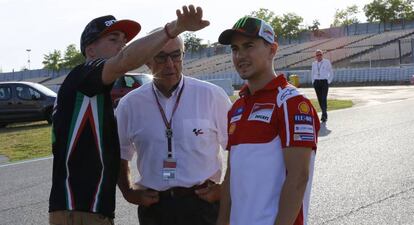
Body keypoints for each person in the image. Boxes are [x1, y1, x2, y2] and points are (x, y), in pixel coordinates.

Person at [48, 5, 210, 225]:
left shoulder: (91, 89)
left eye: (123, 41)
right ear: (90, 51)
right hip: (79, 210)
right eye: (113, 39)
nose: (122, 46)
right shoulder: (84, 75)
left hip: (86, 210)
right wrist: (175, 28)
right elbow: (125, 59)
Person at [115, 27, 231, 225]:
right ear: (147, 60)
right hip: (155, 209)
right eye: (160, 57)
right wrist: (128, 192)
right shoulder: (130, 104)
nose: (170, 64)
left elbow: (238, 147)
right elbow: (119, 153)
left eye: (176, 55)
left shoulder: (212, 96)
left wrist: (225, 188)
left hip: (203, 205)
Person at [216, 16, 320, 225]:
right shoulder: (237, 107)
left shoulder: (292, 103)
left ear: (272, 50)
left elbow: (298, 178)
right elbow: (231, 176)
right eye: (235, 49)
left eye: (249, 46)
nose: (240, 55)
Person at [311, 49, 333, 122]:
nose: (319, 56)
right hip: (316, 82)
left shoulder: (326, 62)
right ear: (315, 56)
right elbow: (312, 73)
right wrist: (313, 81)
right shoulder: (314, 63)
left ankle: (324, 114)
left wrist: (328, 81)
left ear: (322, 55)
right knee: (319, 99)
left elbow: (331, 72)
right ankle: (324, 114)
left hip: (324, 82)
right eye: (317, 55)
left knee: (324, 98)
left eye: (320, 54)